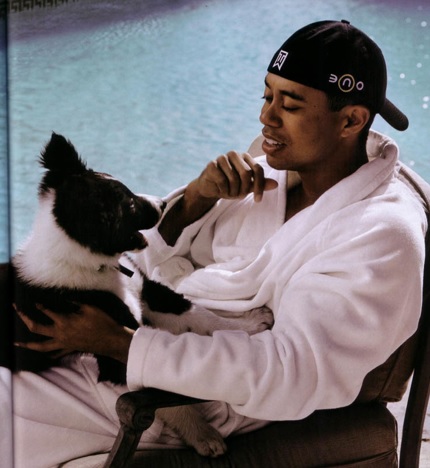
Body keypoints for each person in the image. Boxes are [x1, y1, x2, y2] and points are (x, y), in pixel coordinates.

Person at [12, 19, 427, 467]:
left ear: (351, 119)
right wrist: (194, 201)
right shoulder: (264, 177)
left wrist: (123, 345)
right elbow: (142, 265)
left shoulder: (380, 233)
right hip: (148, 347)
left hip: (206, 394)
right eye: (267, 95)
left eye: (289, 104)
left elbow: (293, 370)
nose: (266, 117)